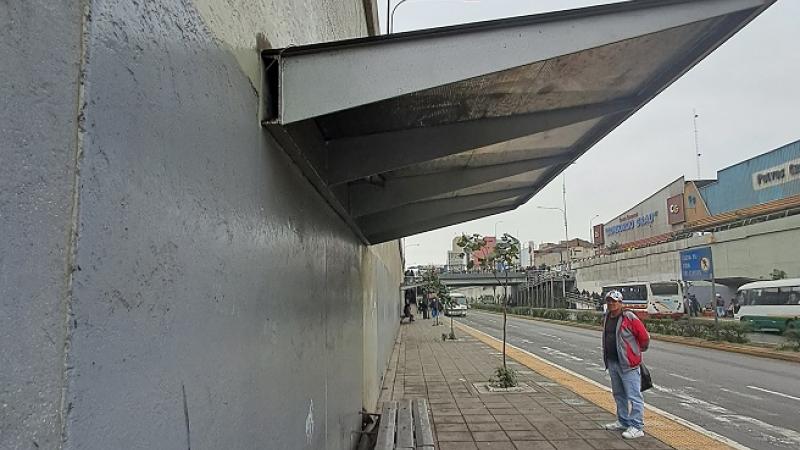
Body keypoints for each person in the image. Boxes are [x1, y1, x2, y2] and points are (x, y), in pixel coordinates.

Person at [602, 290, 650, 439]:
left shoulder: (628, 317)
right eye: (609, 301)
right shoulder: (607, 316)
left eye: (614, 301)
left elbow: (644, 337)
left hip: (628, 365)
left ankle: (637, 426)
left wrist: (636, 352)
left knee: (634, 396)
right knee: (619, 394)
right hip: (613, 362)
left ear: (620, 302)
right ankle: (623, 421)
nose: (611, 303)